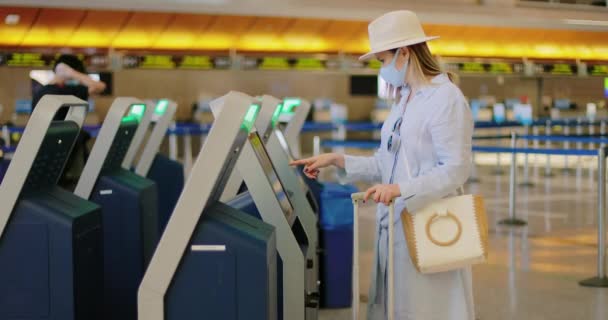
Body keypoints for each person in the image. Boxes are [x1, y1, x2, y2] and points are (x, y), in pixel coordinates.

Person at [291, 10, 474, 320]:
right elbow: (385, 162)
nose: (382, 69)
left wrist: (401, 189)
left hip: (429, 224)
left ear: (404, 53)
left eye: (382, 60)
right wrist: (337, 160)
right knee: (395, 306)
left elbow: (455, 168)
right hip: (395, 221)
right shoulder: (404, 100)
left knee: (427, 309)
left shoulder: (446, 99)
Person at [31, 54, 106, 188]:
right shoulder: (45, 92)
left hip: (69, 154)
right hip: (50, 155)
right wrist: (70, 73)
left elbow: (100, 86)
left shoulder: (69, 91)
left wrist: (72, 73)